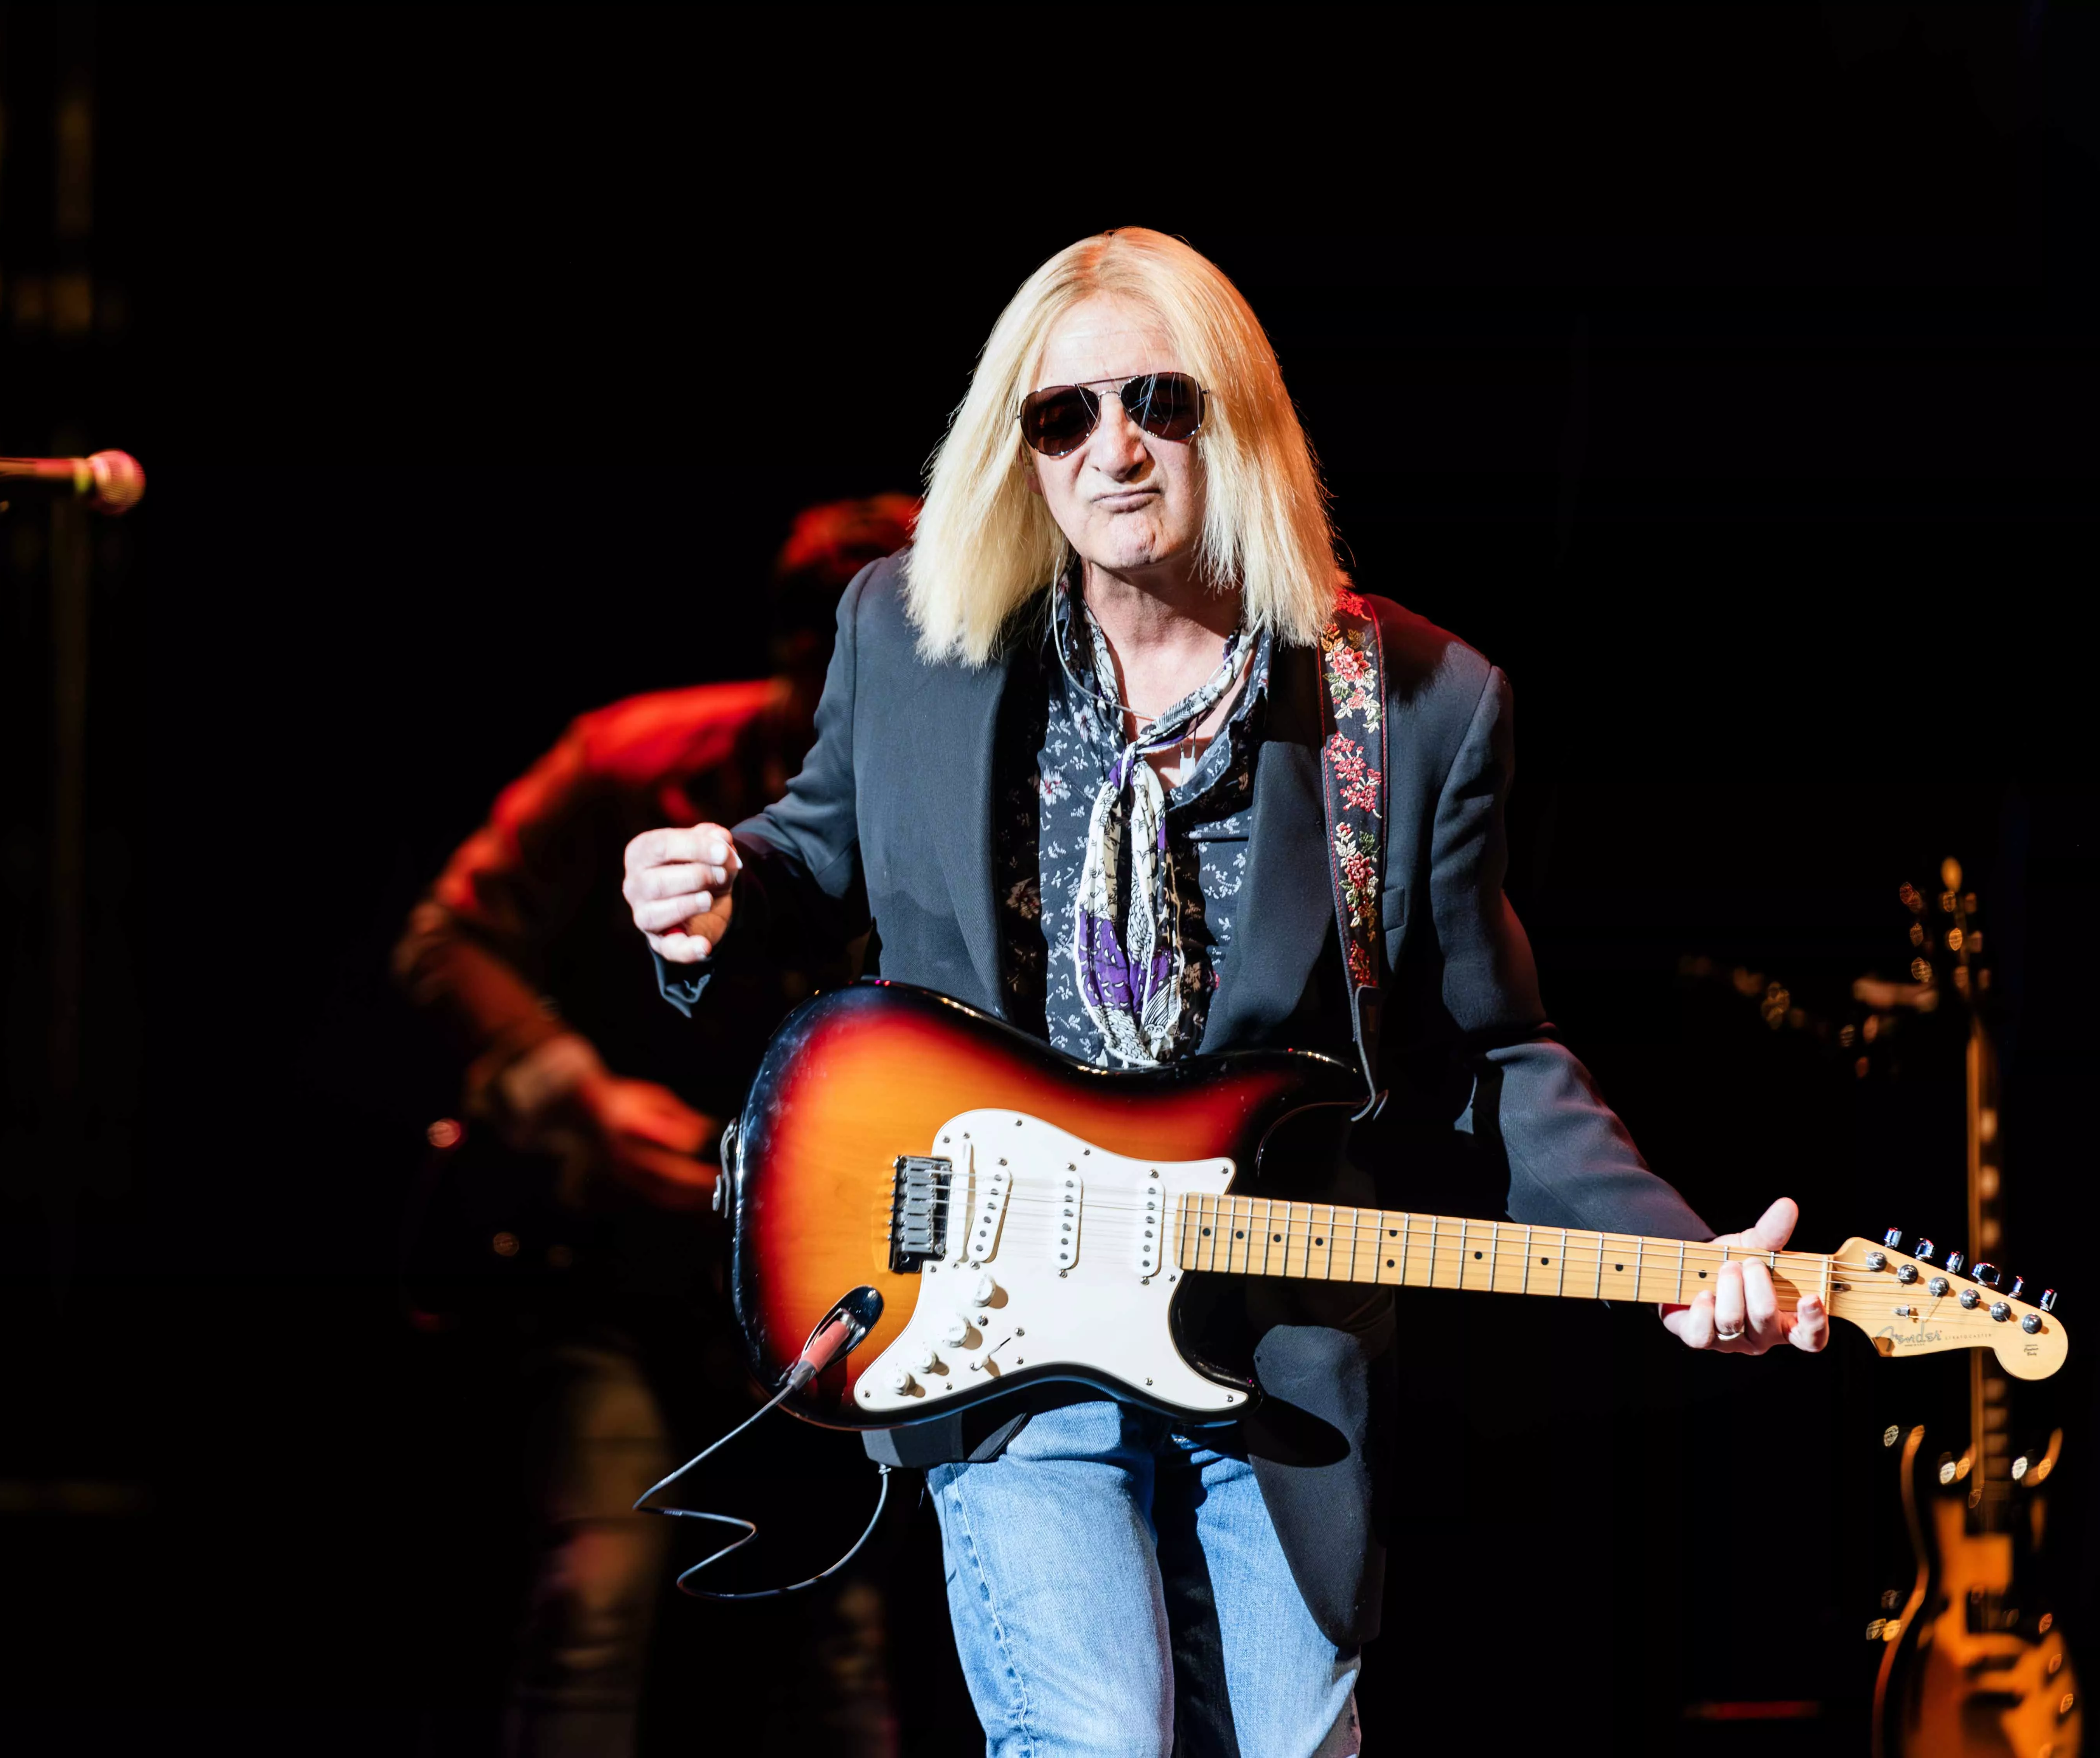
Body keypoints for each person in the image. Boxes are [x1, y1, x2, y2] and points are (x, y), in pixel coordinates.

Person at [619, 229, 1823, 1758]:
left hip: (1270, 1323)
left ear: (1236, 420)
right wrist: (709, 897)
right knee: (1093, 1740)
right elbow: (804, 853)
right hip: (984, 1302)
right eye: (1060, 416)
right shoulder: (911, 638)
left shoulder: (1418, 705)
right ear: (1020, 447)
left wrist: (1670, 1257)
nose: (1110, 449)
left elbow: (1494, 1046)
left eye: (1157, 403)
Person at [395, 496, 918, 1758]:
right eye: (817, 637)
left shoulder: (965, 803)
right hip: (620, 1270)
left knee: (840, 1635)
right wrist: (576, 1088)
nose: (836, 673)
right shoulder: (636, 754)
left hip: (832, 1298)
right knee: (595, 1591)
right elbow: (447, 936)